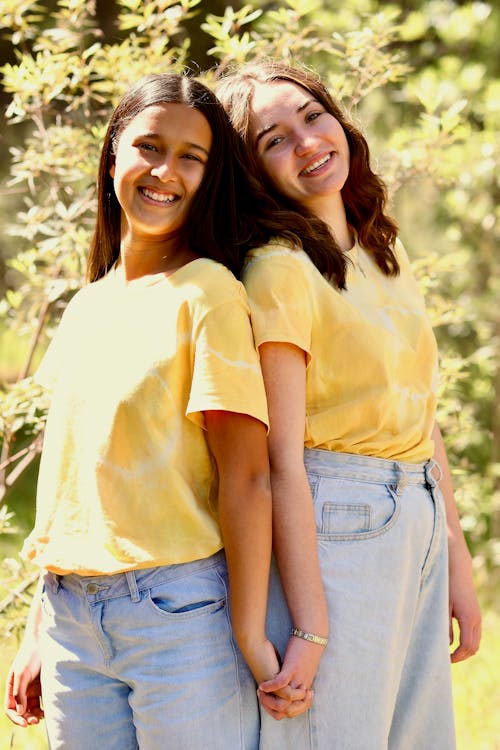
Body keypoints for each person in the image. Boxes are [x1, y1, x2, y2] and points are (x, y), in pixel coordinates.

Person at [3, 71, 308, 750]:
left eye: (191, 157)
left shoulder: (208, 294)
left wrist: (249, 635)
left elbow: (248, 478)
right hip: (70, 623)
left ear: (211, 176)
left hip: (177, 617)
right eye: (148, 146)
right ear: (114, 154)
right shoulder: (87, 305)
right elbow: (76, 487)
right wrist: (36, 631)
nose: (165, 170)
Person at [217, 60, 482, 749]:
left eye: (311, 116)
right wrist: (310, 626)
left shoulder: (380, 256)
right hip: (340, 524)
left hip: (415, 518)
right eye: (274, 140)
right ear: (252, 171)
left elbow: (424, 420)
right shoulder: (280, 270)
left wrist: (456, 564)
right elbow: (282, 461)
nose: (306, 142)